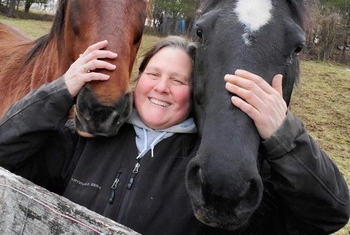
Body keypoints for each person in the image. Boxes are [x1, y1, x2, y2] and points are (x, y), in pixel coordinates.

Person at [0, 36, 349, 235]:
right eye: (154, 74)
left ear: (196, 93)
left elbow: (330, 213)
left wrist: (283, 134)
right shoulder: (83, 140)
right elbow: (5, 152)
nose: (162, 88)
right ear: (139, 79)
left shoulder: (214, 172)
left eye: (179, 81)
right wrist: (62, 90)